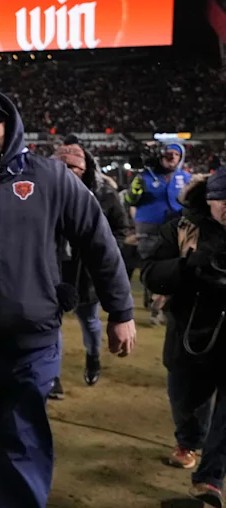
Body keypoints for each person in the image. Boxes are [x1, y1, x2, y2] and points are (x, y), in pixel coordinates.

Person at [0, 88, 136, 508]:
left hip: (31, 341)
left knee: (23, 437)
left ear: (11, 125)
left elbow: (98, 241)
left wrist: (121, 311)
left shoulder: (50, 178)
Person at [142, 172, 226, 505]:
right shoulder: (181, 228)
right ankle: (188, 441)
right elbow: (150, 274)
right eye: (223, 200)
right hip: (189, 335)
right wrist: (186, 266)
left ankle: (210, 480)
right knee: (186, 402)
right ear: (209, 199)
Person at [49, 139, 131, 398]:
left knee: (90, 322)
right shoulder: (42, 194)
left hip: (87, 274)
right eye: (61, 166)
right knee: (52, 326)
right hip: (53, 272)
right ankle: (53, 377)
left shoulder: (104, 194)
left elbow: (120, 228)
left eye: (73, 167)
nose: (67, 172)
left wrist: (100, 249)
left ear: (85, 170)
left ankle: (93, 357)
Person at [128, 142, 191, 323]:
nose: (171, 158)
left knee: (173, 265)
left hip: (176, 228)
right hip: (149, 227)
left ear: (180, 158)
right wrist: (135, 190)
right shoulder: (145, 177)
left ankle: (162, 305)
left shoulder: (186, 177)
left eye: (175, 155)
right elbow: (130, 200)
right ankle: (154, 306)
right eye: (168, 154)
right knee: (153, 265)